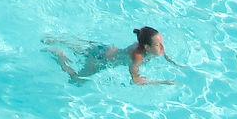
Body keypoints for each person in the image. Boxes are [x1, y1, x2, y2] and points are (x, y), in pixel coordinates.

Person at [43, 27, 174, 86]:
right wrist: (162, 83)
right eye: (159, 45)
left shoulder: (146, 44)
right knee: (77, 80)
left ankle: (54, 38)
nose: (163, 48)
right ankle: (59, 55)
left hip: (105, 49)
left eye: (162, 43)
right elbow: (136, 80)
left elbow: (162, 52)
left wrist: (173, 62)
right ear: (147, 47)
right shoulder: (137, 57)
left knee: (82, 49)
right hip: (101, 61)